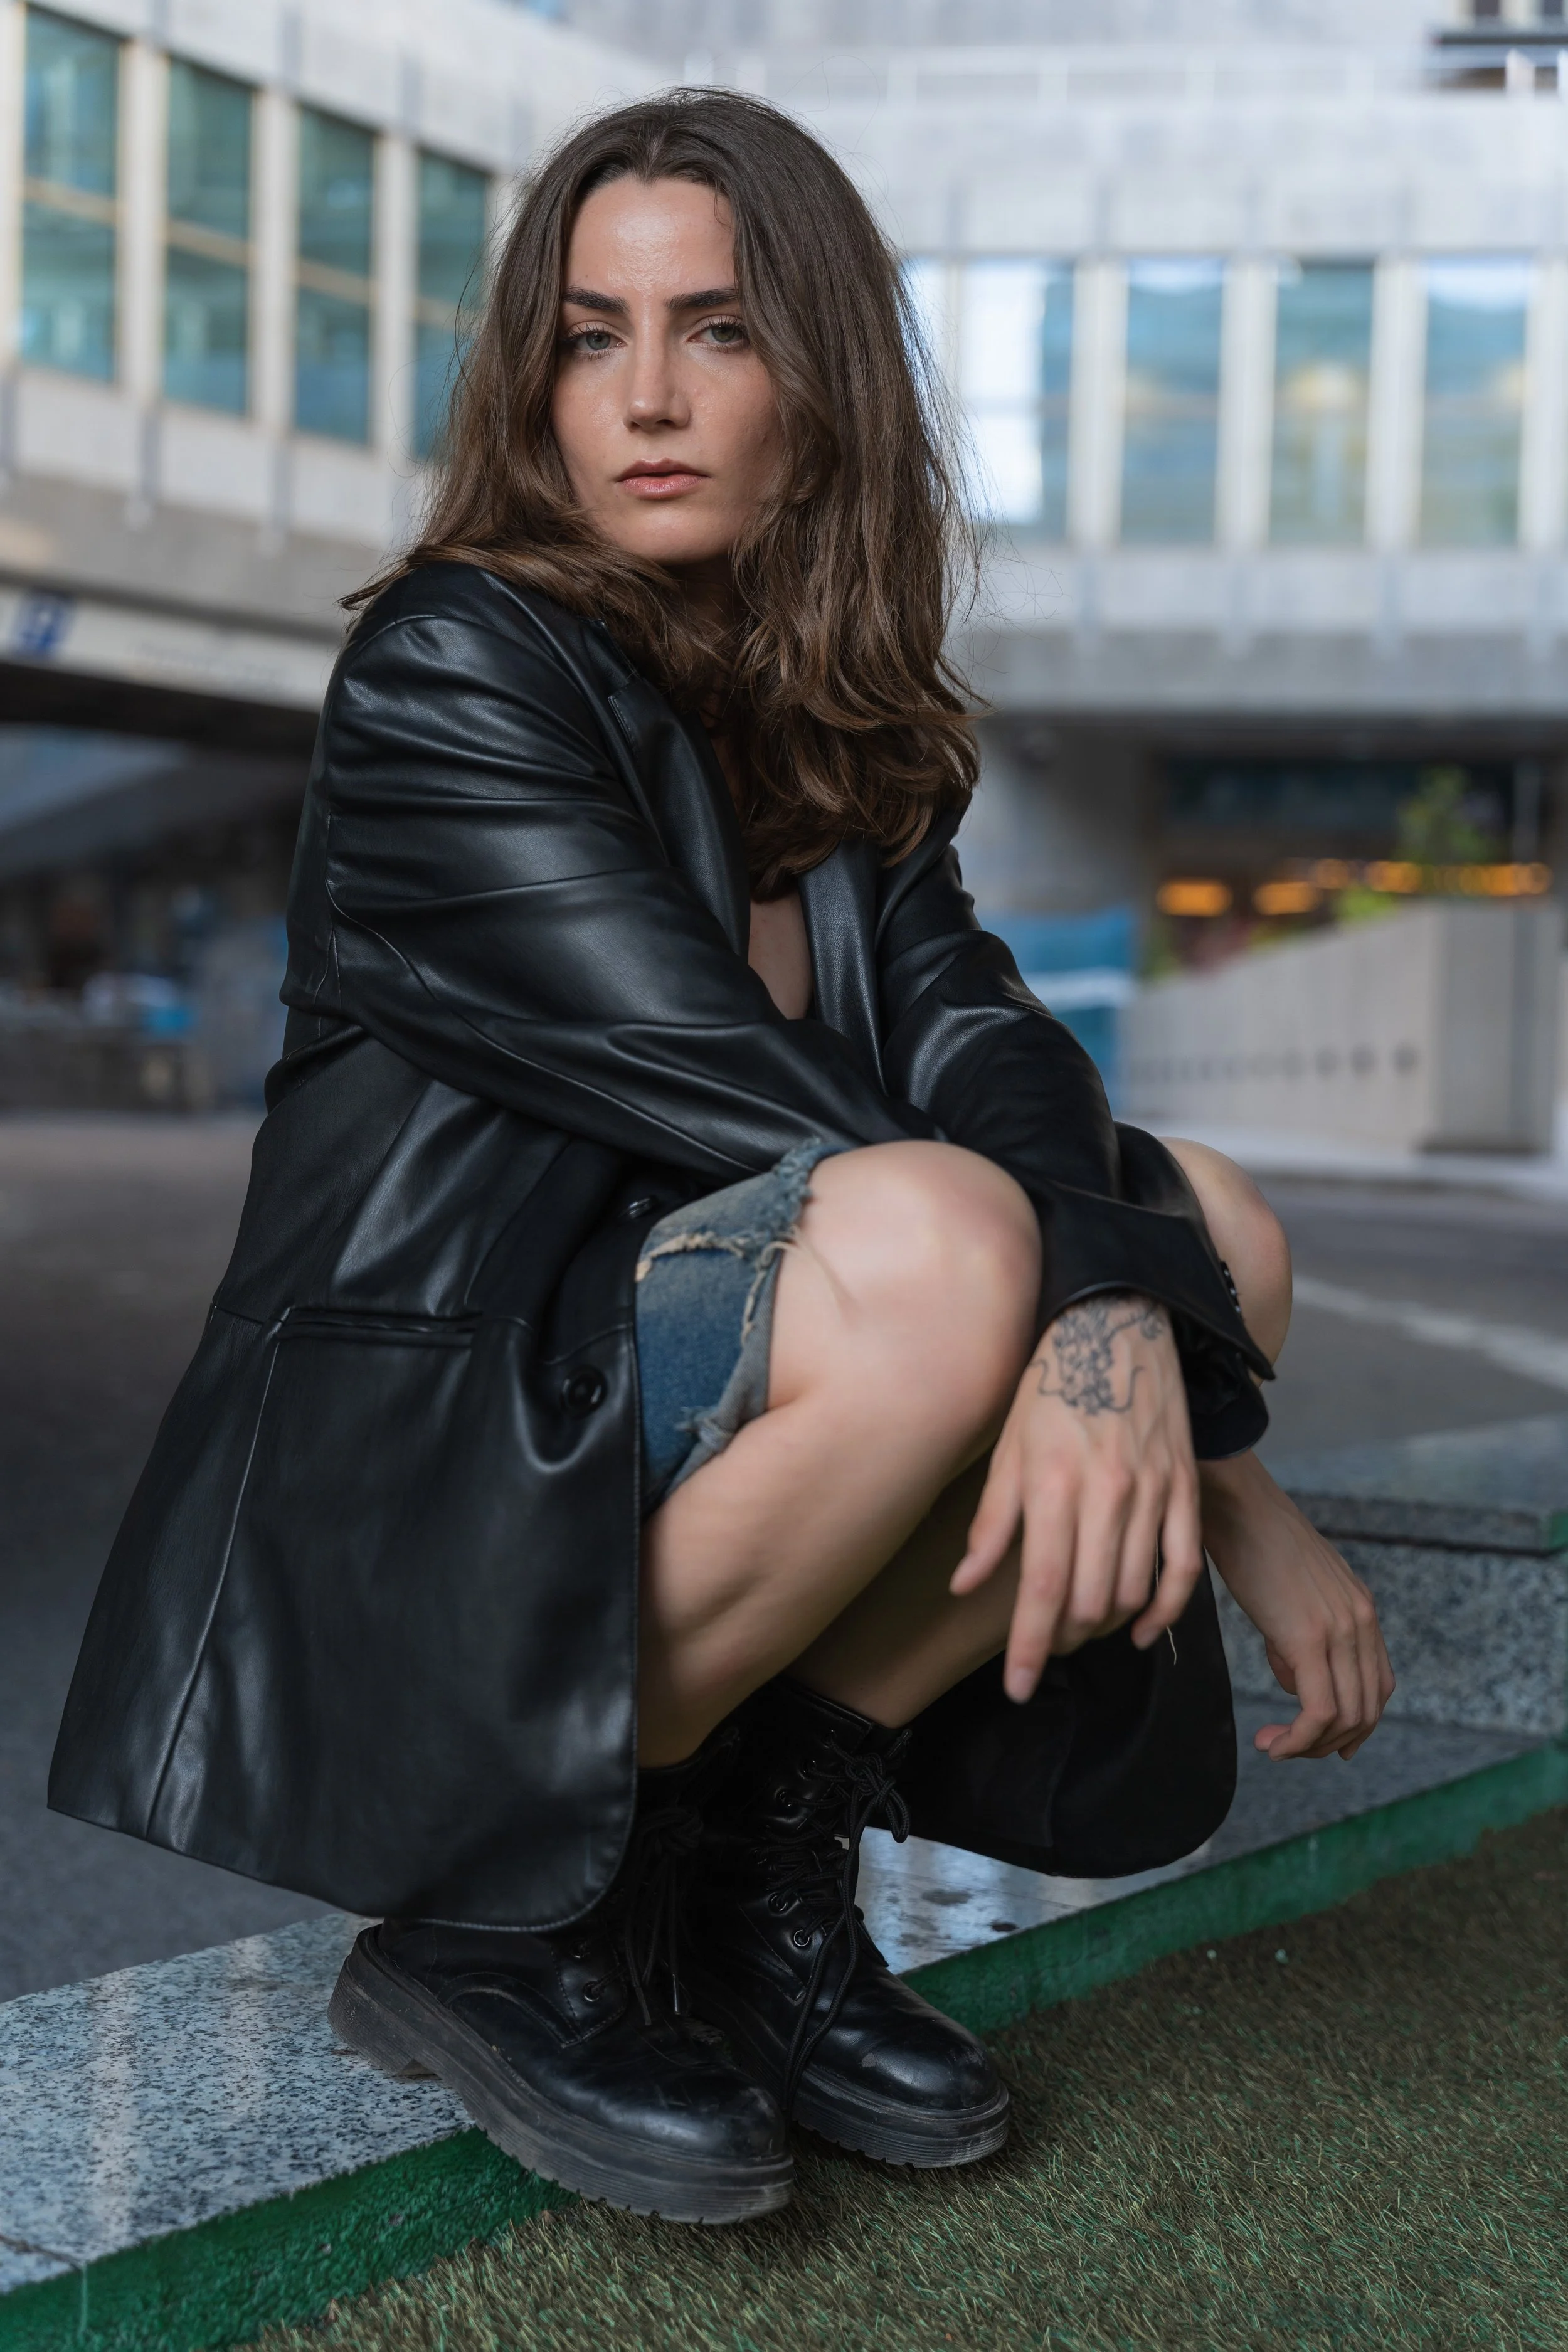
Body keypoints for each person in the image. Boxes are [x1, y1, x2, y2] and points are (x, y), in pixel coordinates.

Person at [50, 90, 1393, 2227]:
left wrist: (1173, 1366)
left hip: (667, 1389)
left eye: (715, 331)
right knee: (967, 1240)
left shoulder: (834, 740)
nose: (648, 397)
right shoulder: (452, 667)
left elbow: (997, 1060)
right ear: (538, 381)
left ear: (820, 382)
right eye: (591, 337)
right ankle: (501, 1921)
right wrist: (1190, 1434)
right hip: (433, 1441)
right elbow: (759, 1103)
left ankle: (740, 1884)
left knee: (1199, 1215)